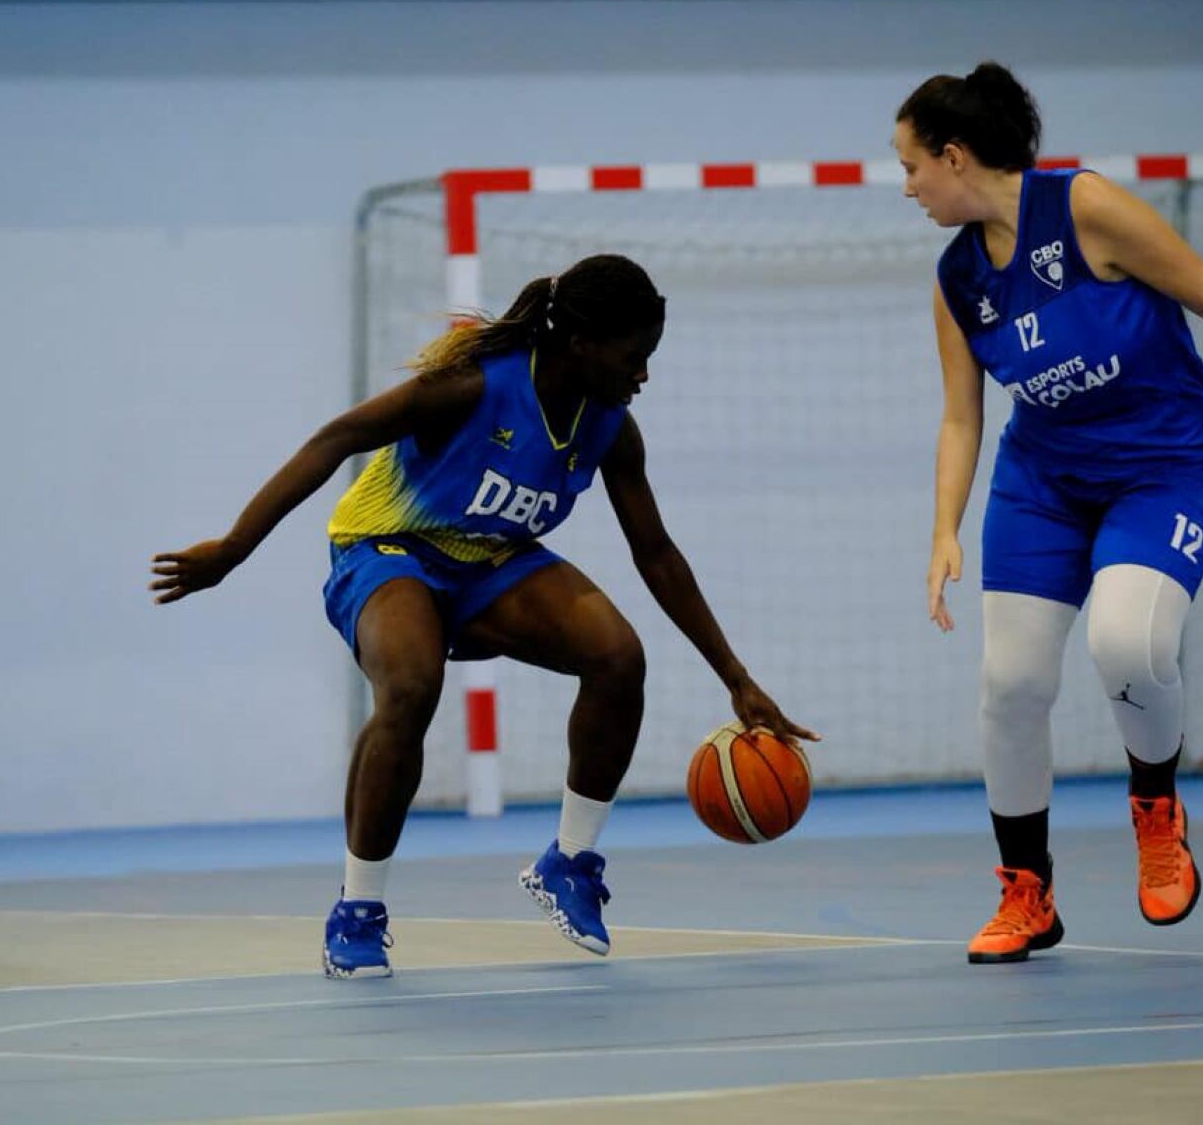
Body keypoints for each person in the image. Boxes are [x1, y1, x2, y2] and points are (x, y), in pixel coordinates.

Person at [152, 253, 817, 979]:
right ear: (582, 344)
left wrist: (736, 678)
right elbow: (335, 438)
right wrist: (233, 549)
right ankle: (357, 909)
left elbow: (655, 553)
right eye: (635, 357)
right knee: (410, 686)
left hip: (488, 560)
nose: (644, 375)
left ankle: (570, 861)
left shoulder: (611, 430)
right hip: (387, 548)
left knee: (618, 658)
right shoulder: (472, 389)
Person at [894, 63, 1203, 964]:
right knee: (1010, 687)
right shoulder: (956, 278)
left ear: (955, 156)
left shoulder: (1088, 209)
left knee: (1127, 645)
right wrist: (942, 531)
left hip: (1159, 471)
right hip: (1040, 484)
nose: (908, 187)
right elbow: (962, 414)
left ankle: (1158, 813)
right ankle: (1026, 895)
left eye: (912, 166)